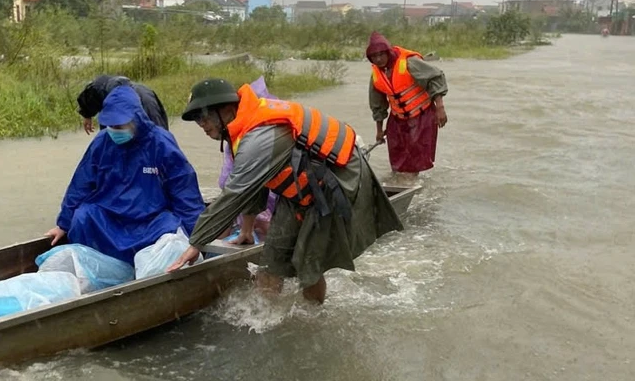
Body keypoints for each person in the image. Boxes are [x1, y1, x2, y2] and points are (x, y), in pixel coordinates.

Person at [167, 78, 403, 304]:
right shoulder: (241, 130)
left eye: (205, 118)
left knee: (308, 265)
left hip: (336, 181)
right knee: (271, 262)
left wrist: (196, 243)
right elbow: (253, 186)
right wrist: (247, 230)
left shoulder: (259, 136)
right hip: (300, 188)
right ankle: (266, 325)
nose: (203, 126)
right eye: (198, 122)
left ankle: (313, 319)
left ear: (226, 109)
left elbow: (234, 195)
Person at [46, 85, 206, 269]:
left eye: (119, 125)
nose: (114, 130)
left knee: (172, 229)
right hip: (110, 218)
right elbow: (81, 183)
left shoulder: (161, 143)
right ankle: (99, 271)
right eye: (111, 125)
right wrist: (63, 224)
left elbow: (184, 191)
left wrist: (198, 239)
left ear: (135, 118)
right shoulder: (102, 142)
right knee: (83, 217)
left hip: (151, 222)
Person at [366, 32, 448, 175]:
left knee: (417, 158)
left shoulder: (409, 62)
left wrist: (440, 107)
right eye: (374, 56)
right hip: (397, 120)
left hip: (421, 114)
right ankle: (399, 183)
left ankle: (417, 186)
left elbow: (435, 77)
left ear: (388, 52)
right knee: (397, 159)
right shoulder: (376, 76)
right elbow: (377, 104)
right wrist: (379, 130)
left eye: (381, 54)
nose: (378, 59)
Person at [218, 76, 277, 245]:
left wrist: (248, 227)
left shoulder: (263, 136)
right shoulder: (235, 140)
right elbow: (231, 191)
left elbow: (251, 188)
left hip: (268, 219)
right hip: (244, 217)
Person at [76, 75, 169, 134]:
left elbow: (159, 135)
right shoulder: (104, 88)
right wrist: (86, 114)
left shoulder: (146, 103)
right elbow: (93, 91)